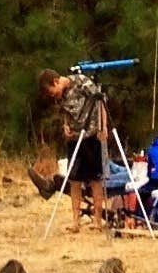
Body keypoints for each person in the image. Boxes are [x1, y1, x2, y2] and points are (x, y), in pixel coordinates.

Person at [34, 68, 111, 226]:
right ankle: (75, 221)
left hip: (92, 135)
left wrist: (103, 127)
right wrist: (65, 126)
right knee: (74, 180)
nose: (52, 95)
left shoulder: (82, 82)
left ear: (56, 82)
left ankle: (98, 221)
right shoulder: (59, 96)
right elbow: (65, 112)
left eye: (51, 91)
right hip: (74, 139)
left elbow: (100, 101)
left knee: (96, 179)